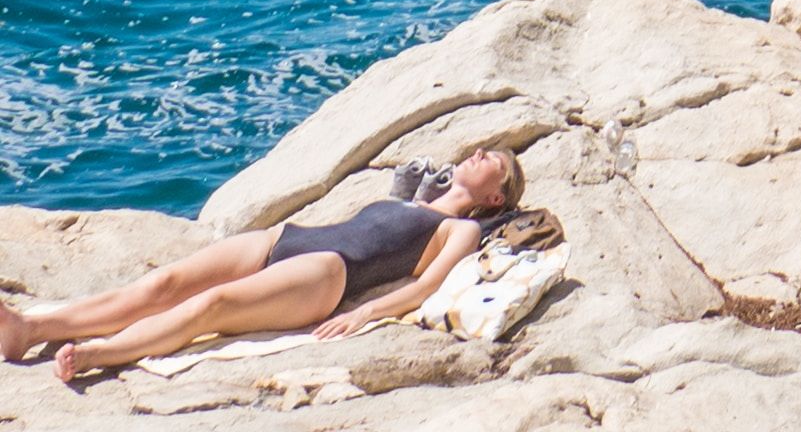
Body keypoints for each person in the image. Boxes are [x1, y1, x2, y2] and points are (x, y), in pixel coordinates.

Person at [0, 146, 523, 388]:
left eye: (492, 161)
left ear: (495, 195)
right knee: (166, 282)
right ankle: (31, 328)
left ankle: (100, 354)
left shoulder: (464, 230)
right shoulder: (413, 198)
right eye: (480, 150)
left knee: (212, 306)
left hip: (329, 271)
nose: (478, 154)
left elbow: (428, 285)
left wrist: (368, 314)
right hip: (290, 239)